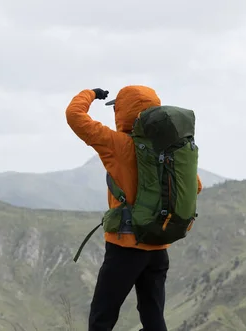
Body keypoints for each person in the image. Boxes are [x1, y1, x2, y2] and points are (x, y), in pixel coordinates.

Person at [65, 85, 203, 331]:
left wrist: (91, 94)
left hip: (125, 247)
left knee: (102, 316)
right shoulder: (171, 151)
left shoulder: (117, 145)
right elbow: (196, 187)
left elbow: (75, 116)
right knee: (153, 316)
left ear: (123, 112)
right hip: (159, 244)